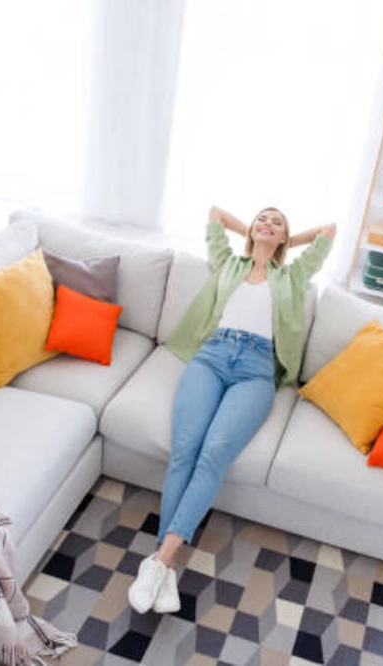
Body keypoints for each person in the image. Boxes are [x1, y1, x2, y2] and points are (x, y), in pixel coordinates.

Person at [127, 205, 335, 614]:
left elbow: (329, 231)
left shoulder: (292, 276)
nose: (268, 223)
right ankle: (163, 566)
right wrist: (256, 237)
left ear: (285, 238)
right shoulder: (227, 261)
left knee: (214, 453)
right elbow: (215, 214)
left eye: (277, 222)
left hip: (256, 371)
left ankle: (159, 561)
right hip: (211, 357)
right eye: (263, 218)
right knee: (184, 450)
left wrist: (282, 245)